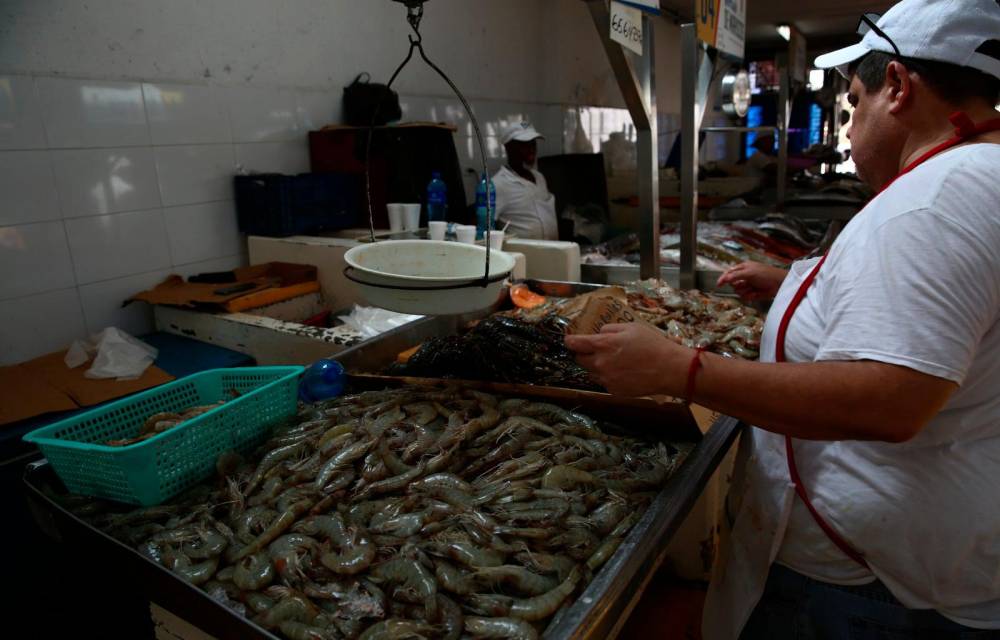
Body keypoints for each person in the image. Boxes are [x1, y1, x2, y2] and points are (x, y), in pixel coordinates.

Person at [564, 0, 1000, 637]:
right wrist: (802, 283)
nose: (848, 131)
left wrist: (683, 368)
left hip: (874, 592)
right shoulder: (977, 179)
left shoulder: (934, 201)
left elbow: (889, 400)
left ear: (900, 87)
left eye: (854, 103)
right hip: (928, 564)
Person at [492, 121, 559, 240]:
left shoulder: (539, 178)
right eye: (524, 145)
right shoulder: (498, 184)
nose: (531, 150)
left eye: (533, 144)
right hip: (524, 255)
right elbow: (484, 227)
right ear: (508, 148)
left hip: (552, 252)